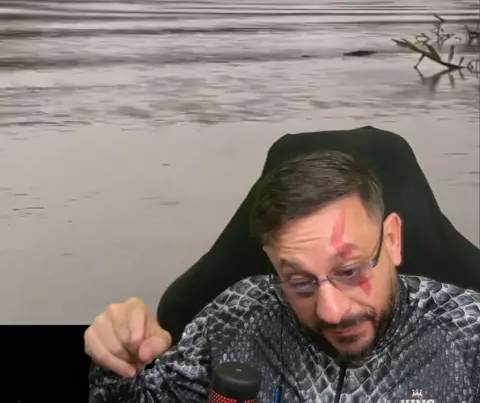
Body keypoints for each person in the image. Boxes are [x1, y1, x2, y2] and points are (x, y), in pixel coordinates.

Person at [85, 151, 480, 402]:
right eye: (300, 282)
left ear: (391, 240)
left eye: (349, 271)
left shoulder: (468, 334)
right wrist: (118, 364)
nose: (330, 311)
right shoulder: (237, 317)